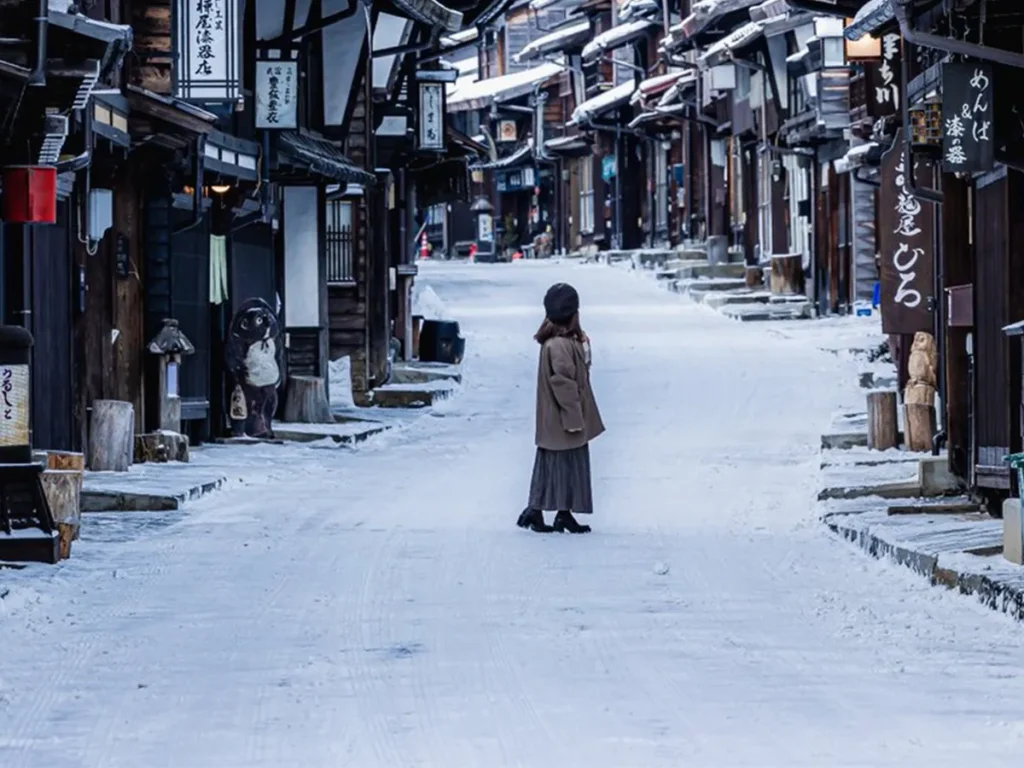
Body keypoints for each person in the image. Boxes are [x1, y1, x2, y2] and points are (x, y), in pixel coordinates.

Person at [517, 283, 605, 534]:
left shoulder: (563, 342)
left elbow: (580, 370)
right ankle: (538, 510)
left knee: (559, 463)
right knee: (562, 464)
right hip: (563, 418)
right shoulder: (558, 345)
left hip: (559, 420)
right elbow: (563, 383)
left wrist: (585, 346)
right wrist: (574, 417)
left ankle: (557, 513)